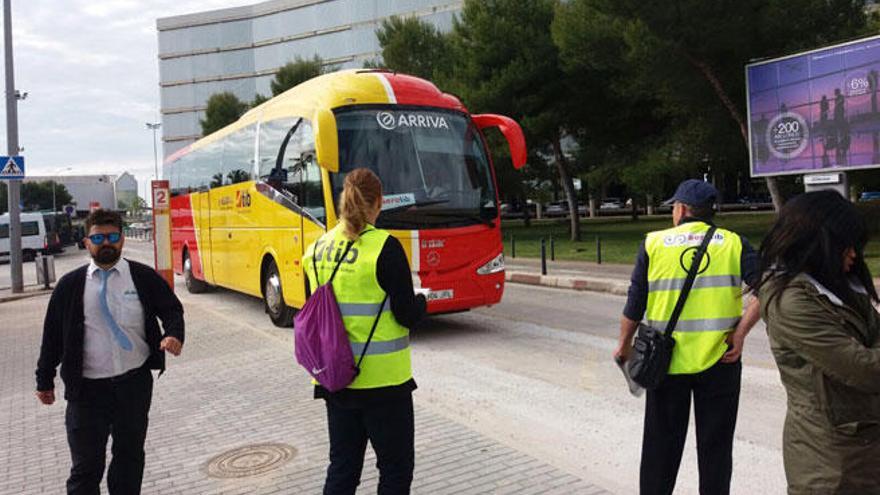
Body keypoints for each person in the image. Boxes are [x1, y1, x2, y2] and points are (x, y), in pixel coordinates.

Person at [613, 179, 761, 495]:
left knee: (660, 450)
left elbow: (635, 303)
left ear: (680, 209)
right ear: (710, 212)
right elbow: (769, 288)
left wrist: (623, 346)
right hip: (721, 361)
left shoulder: (653, 244)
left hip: (665, 364)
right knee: (716, 450)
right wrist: (741, 332)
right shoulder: (734, 243)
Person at [34, 209, 185, 495]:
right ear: (87, 241)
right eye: (99, 237)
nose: (106, 243)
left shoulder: (142, 277)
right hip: (87, 392)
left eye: (112, 236)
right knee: (86, 468)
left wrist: (174, 334)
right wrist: (44, 379)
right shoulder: (70, 286)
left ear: (122, 240)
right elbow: (52, 335)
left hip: (134, 385)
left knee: (129, 459)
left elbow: (172, 309)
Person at [303, 168, 427, 495]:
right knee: (395, 471)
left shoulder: (316, 250)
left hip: (335, 379)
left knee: (343, 468)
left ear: (344, 200)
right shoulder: (385, 247)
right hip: (384, 385)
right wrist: (423, 302)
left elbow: (315, 313)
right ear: (379, 203)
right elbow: (406, 315)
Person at [752, 190, 880, 494]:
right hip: (829, 464)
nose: (853, 255)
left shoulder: (839, 286)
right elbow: (862, 368)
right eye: (847, 246)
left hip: (865, 450)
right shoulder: (791, 301)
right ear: (818, 243)